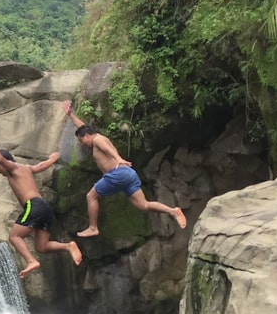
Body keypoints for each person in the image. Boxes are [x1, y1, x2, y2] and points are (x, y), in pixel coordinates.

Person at [62, 100, 187, 237]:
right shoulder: (94, 137)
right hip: (128, 175)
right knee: (143, 205)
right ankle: (173, 211)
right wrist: (70, 114)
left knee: (91, 196)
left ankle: (93, 228)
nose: (83, 144)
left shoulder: (98, 140)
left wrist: (118, 159)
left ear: (86, 136)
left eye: (81, 140)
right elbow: (83, 127)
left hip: (118, 173)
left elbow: (108, 149)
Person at [0, 126, 83, 278]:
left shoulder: (11, 168)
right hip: (45, 207)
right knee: (42, 246)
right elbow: (40, 166)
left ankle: (31, 261)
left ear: (2, 164)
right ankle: (68, 246)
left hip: (33, 206)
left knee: (14, 236)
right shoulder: (24, 168)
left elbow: (0, 158)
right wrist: (52, 159)